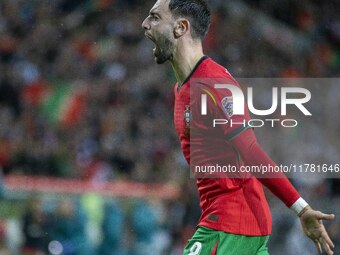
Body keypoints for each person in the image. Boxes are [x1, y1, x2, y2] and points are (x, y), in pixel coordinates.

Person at [142, 0, 335, 255]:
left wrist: (301, 208)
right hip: (235, 224)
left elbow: (250, 151)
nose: (144, 24)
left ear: (180, 28)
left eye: (155, 17)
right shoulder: (181, 89)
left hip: (231, 223)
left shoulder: (215, 83)